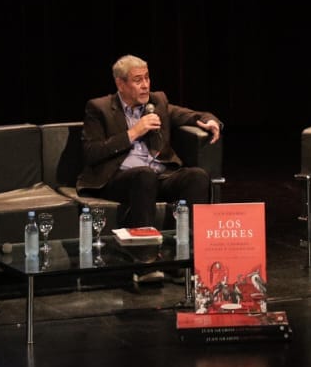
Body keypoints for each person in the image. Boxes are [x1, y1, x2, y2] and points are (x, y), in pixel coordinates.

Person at [79, 55, 222, 283]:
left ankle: (181, 262)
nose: (145, 85)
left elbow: (189, 114)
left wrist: (209, 120)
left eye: (147, 78)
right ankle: (144, 263)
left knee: (196, 177)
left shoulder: (157, 101)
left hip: (158, 176)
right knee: (144, 176)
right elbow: (91, 152)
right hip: (118, 179)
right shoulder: (99, 108)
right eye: (137, 80)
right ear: (120, 84)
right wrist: (133, 132)